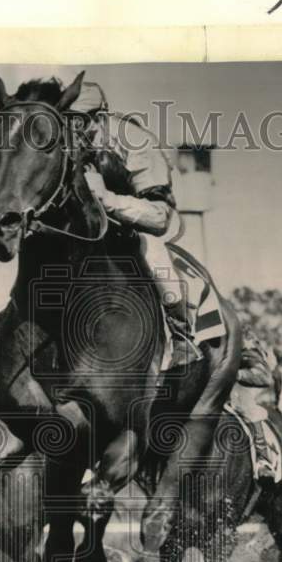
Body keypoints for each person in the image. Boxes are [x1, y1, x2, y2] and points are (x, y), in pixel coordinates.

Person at [68, 81, 199, 367]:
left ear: (100, 117)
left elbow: (159, 216)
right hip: (91, 232)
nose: (73, 133)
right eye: (65, 123)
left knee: (151, 250)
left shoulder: (135, 142)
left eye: (79, 123)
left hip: (144, 225)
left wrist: (106, 200)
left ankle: (182, 334)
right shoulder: (66, 144)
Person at [229, 329, 281, 479]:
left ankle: (263, 460)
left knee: (248, 409)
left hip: (236, 392)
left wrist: (235, 373)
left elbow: (264, 377)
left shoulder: (247, 345)